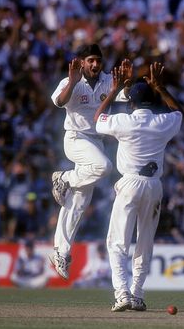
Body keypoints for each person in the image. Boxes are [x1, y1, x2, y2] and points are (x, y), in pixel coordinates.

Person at [93, 62, 183, 312]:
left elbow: (98, 119)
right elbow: (179, 113)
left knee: (117, 243)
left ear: (131, 103)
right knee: (145, 242)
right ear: (153, 102)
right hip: (154, 186)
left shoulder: (124, 121)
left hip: (130, 183)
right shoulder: (162, 122)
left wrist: (114, 90)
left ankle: (122, 293)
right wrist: (161, 88)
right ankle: (138, 294)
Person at [49, 43, 132, 280]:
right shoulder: (71, 80)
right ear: (82, 62)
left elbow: (127, 96)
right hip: (75, 139)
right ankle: (63, 177)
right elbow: (59, 102)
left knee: (78, 203)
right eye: (91, 60)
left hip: (96, 142)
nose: (95, 65)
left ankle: (60, 252)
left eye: (98, 60)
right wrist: (73, 82)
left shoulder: (107, 80)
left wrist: (125, 83)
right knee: (104, 166)